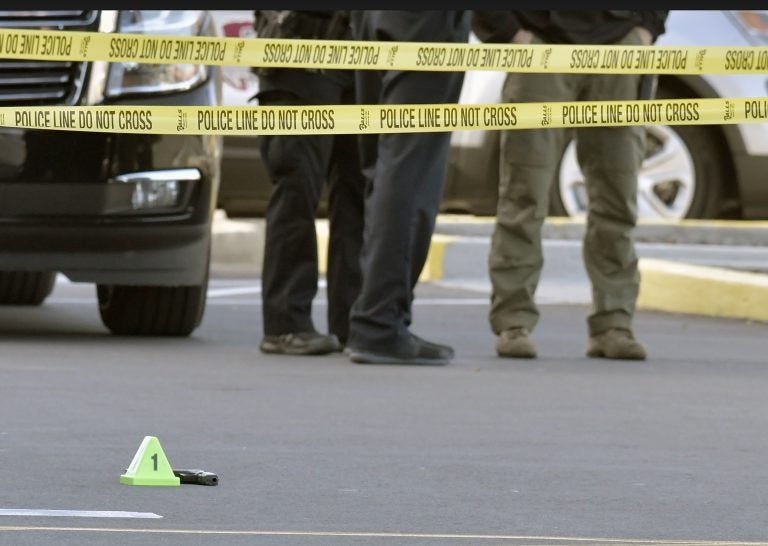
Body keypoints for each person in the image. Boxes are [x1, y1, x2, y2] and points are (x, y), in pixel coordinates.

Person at [472, 11, 669, 360]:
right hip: (541, 45)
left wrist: (645, 28)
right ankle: (513, 320)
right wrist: (510, 32)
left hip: (618, 49)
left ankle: (614, 322)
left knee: (618, 194)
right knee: (524, 194)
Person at [344, 11, 470, 365]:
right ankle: (379, 322)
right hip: (422, 23)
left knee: (384, 165)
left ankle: (374, 316)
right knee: (409, 170)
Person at [253, 10, 365, 355]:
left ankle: (352, 322)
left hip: (355, 50)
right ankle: (286, 323)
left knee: (357, 189)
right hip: (298, 49)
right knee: (296, 185)